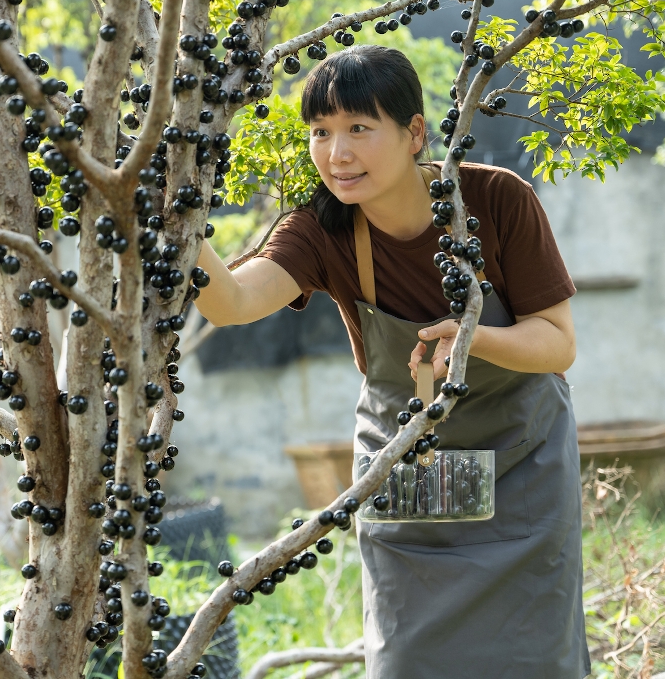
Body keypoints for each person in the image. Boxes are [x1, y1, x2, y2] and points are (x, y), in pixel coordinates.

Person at [194, 45, 589, 678]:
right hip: (410, 465)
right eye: (320, 132)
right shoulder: (321, 229)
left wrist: (469, 338)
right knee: (409, 657)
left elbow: (557, 342)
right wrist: (176, 217)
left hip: (519, 463)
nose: (337, 153)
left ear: (414, 133)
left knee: (533, 655)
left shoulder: (494, 200)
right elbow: (234, 302)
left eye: (358, 129)